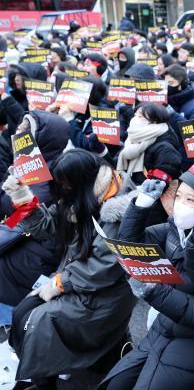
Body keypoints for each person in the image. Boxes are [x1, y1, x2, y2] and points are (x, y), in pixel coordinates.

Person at [101, 162, 194, 389]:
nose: (180, 206)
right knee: (116, 383)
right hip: (166, 325)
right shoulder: (177, 230)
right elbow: (133, 246)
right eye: (179, 196)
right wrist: (141, 205)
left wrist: (154, 291)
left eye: (191, 200)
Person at [5, 150, 137, 388]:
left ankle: (42, 380)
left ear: (81, 180)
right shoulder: (78, 196)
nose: (62, 189)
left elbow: (103, 267)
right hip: (74, 279)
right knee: (21, 312)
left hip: (106, 294)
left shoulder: (118, 211)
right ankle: (40, 372)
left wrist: (59, 283)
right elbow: (47, 227)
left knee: (39, 322)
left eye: (64, 184)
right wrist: (21, 195)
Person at [0, 111, 69, 306]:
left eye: (25, 129)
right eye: (20, 126)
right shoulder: (24, 166)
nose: (18, 131)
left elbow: (21, 219)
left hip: (28, 251)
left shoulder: (49, 179)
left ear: (42, 139)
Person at [116, 103, 182, 185]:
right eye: (134, 115)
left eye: (140, 117)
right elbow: (115, 164)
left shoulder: (165, 149)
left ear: (154, 121)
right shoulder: (133, 140)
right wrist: (102, 150)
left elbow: (157, 186)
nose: (134, 120)